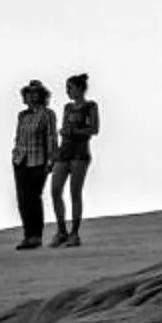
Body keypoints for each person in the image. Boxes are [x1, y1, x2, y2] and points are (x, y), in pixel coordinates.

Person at [50, 72, 100, 246]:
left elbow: (94, 129)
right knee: (55, 190)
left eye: (70, 88)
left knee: (74, 193)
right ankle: (61, 230)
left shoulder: (90, 106)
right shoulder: (67, 108)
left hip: (80, 153)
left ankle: (74, 233)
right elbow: (64, 128)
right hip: (65, 152)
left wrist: (73, 132)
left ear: (80, 88)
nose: (68, 91)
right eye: (67, 88)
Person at [10, 80, 57, 250]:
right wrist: (15, 153)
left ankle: (36, 236)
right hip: (21, 160)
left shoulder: (47, 114)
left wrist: (51, 160)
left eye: (35, 92)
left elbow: (51, 138)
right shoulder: (22, 115)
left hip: (38, 161)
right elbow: (18, 136)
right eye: (28, 93)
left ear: (42, 95)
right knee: (23, 199)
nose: (31, 96)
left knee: (33, 198)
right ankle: (27, 235)